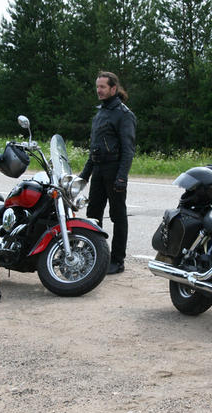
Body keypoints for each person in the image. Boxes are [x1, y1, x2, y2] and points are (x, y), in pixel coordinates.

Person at [79, 71, 137, 274]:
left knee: (118, 216)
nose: (99, 90)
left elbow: (128, 150)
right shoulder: (100, 112)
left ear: (113, 88)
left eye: (103, 87)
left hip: (114, 171)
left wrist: (121, 177)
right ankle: (92, 255)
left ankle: (117, 260)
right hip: (98, 170)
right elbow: (94, 148)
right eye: (97, 86)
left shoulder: (124, 114)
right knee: (92, 214)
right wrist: (83, 176)